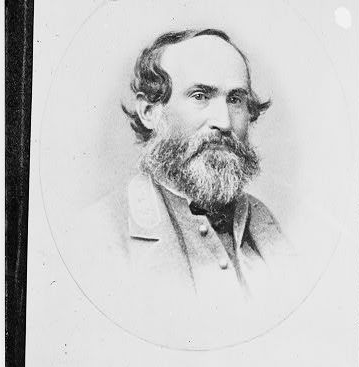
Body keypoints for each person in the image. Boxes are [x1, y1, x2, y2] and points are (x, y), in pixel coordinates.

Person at [66, 28, 295, 348]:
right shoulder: (97, 236)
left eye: (235, 99)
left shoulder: (264, 222)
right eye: (200, 96)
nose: (224, 122)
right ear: (150, 112)